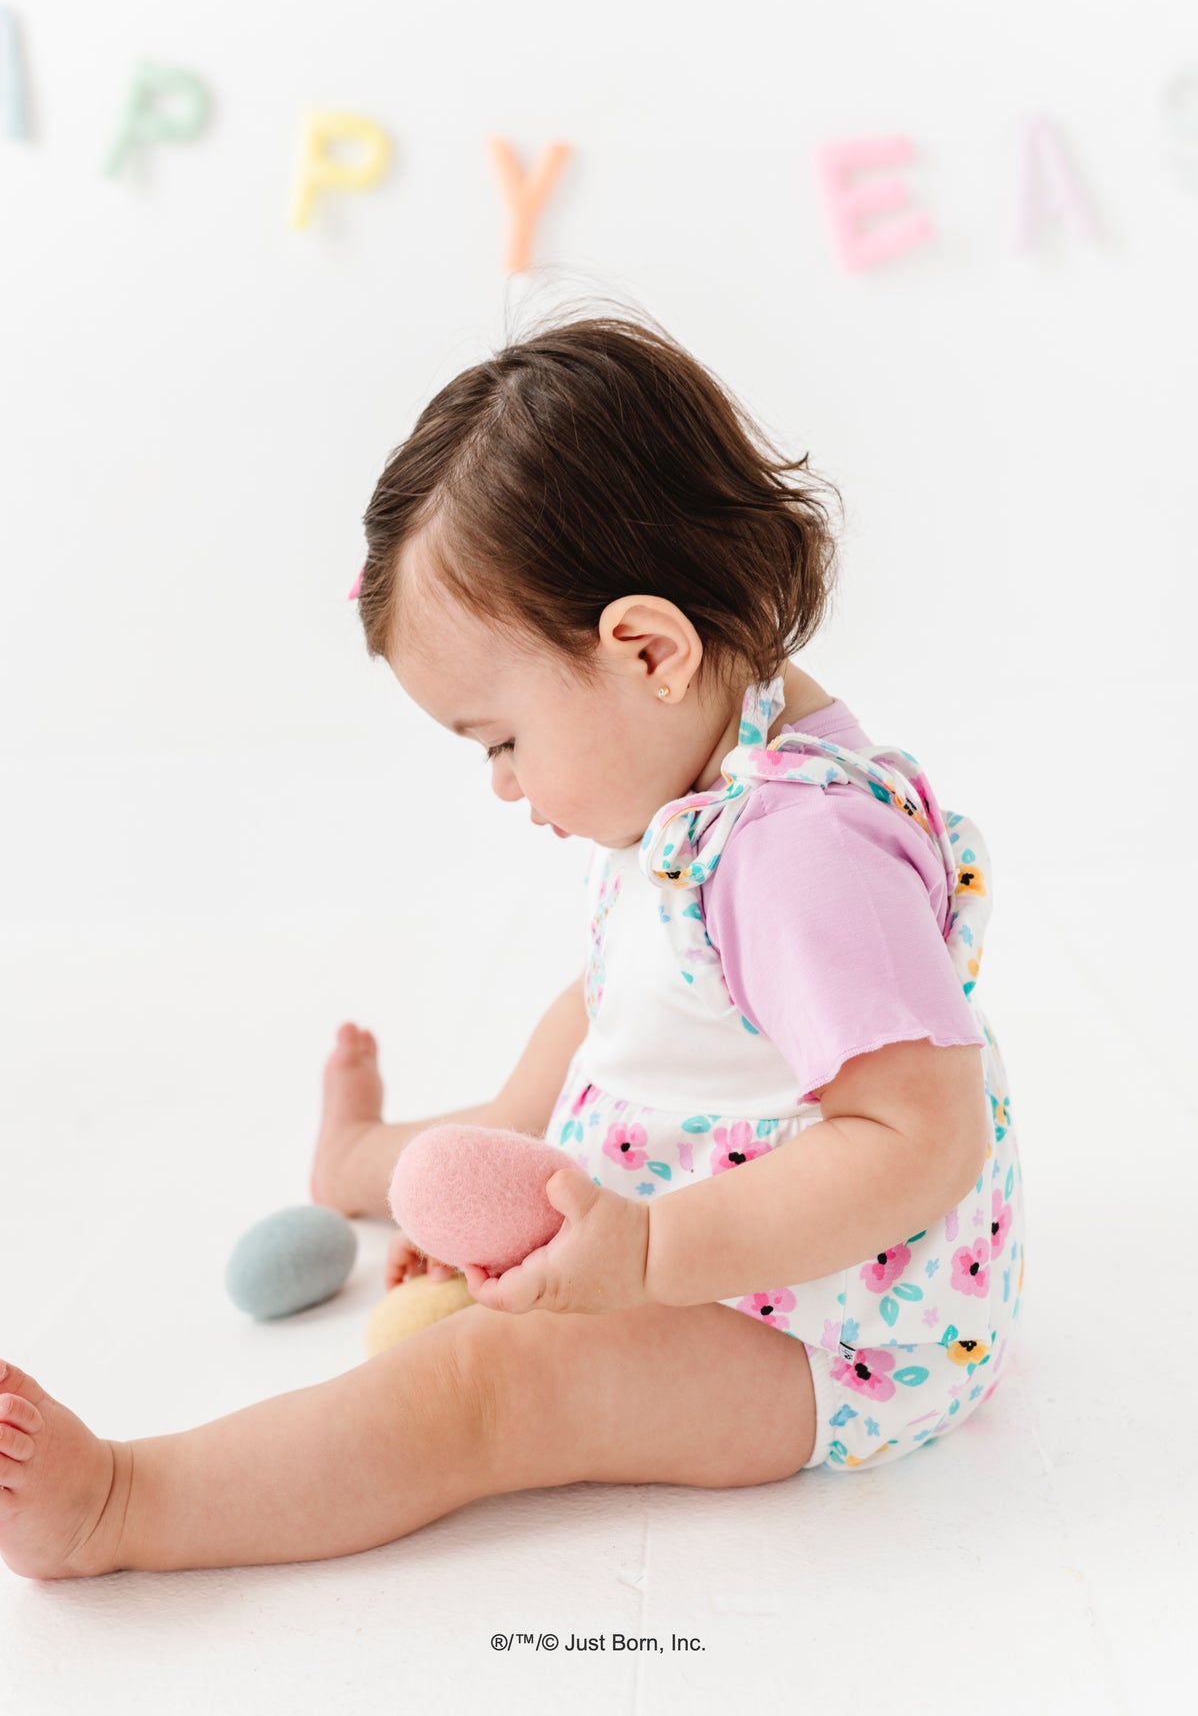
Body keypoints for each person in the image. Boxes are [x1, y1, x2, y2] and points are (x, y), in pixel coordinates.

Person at [0, 307, 1024, 1579]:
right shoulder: (708, 773)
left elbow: (920, 1140)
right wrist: (539, 1152)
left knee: (485, 1388)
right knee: (544, 1074)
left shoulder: (806, 854)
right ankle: (362, 1163)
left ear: (645, 648)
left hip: (830, 1331)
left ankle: (123, 1505)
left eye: (501, 740)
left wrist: (648, 1254)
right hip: (690, 1201)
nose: (500, 783)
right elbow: (636, 995)